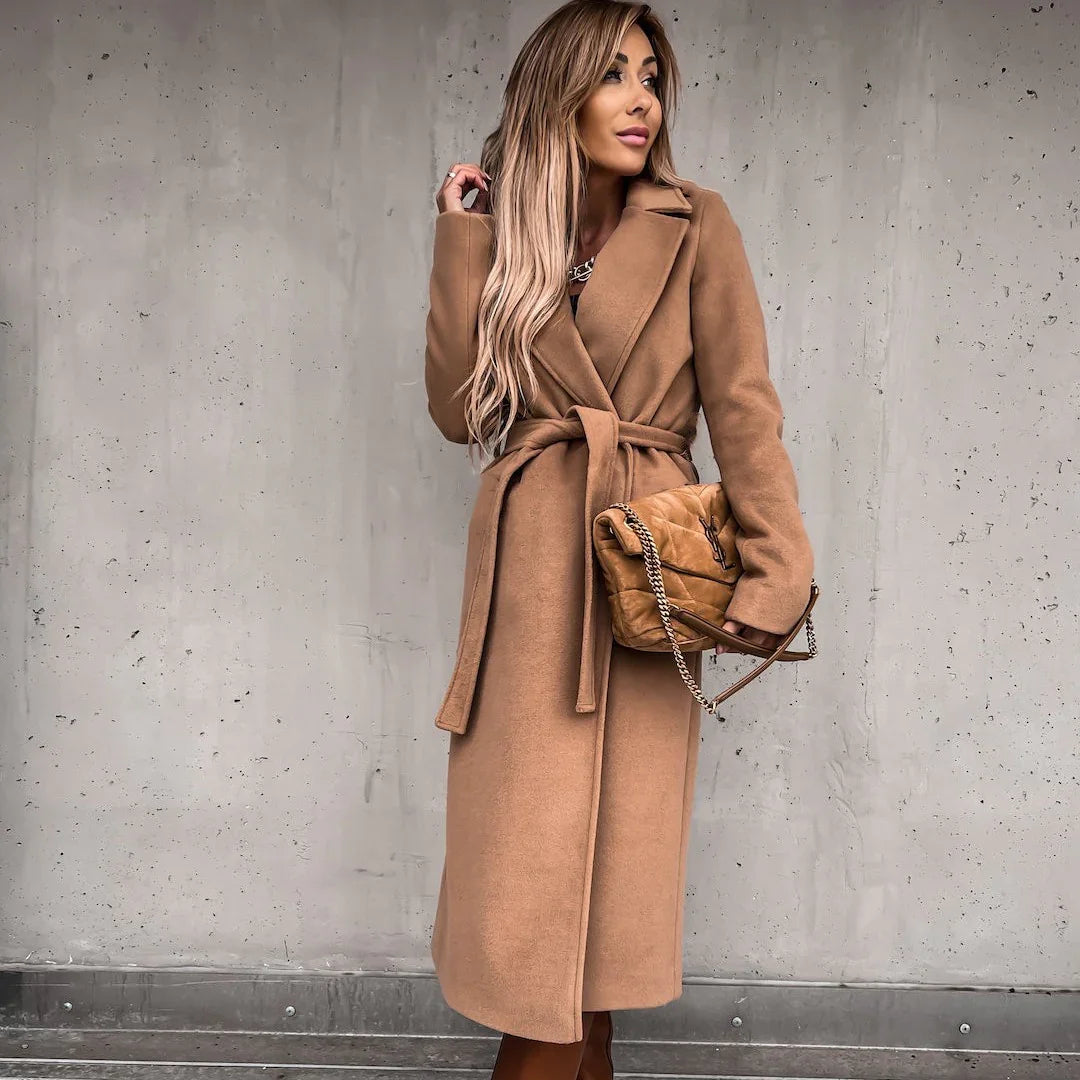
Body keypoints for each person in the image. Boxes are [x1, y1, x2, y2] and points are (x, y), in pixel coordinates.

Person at [422, 2, 815, 1076]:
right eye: (613, 75)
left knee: (603, 889)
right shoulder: (512, 235)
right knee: (527, 878)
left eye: (650, 77)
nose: (641, 100)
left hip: (639, 570)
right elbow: (457, 409)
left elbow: (745, 411)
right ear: (558, 96)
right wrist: (461, 238)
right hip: (529, 582)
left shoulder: (699, 224)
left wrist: (778, 572)